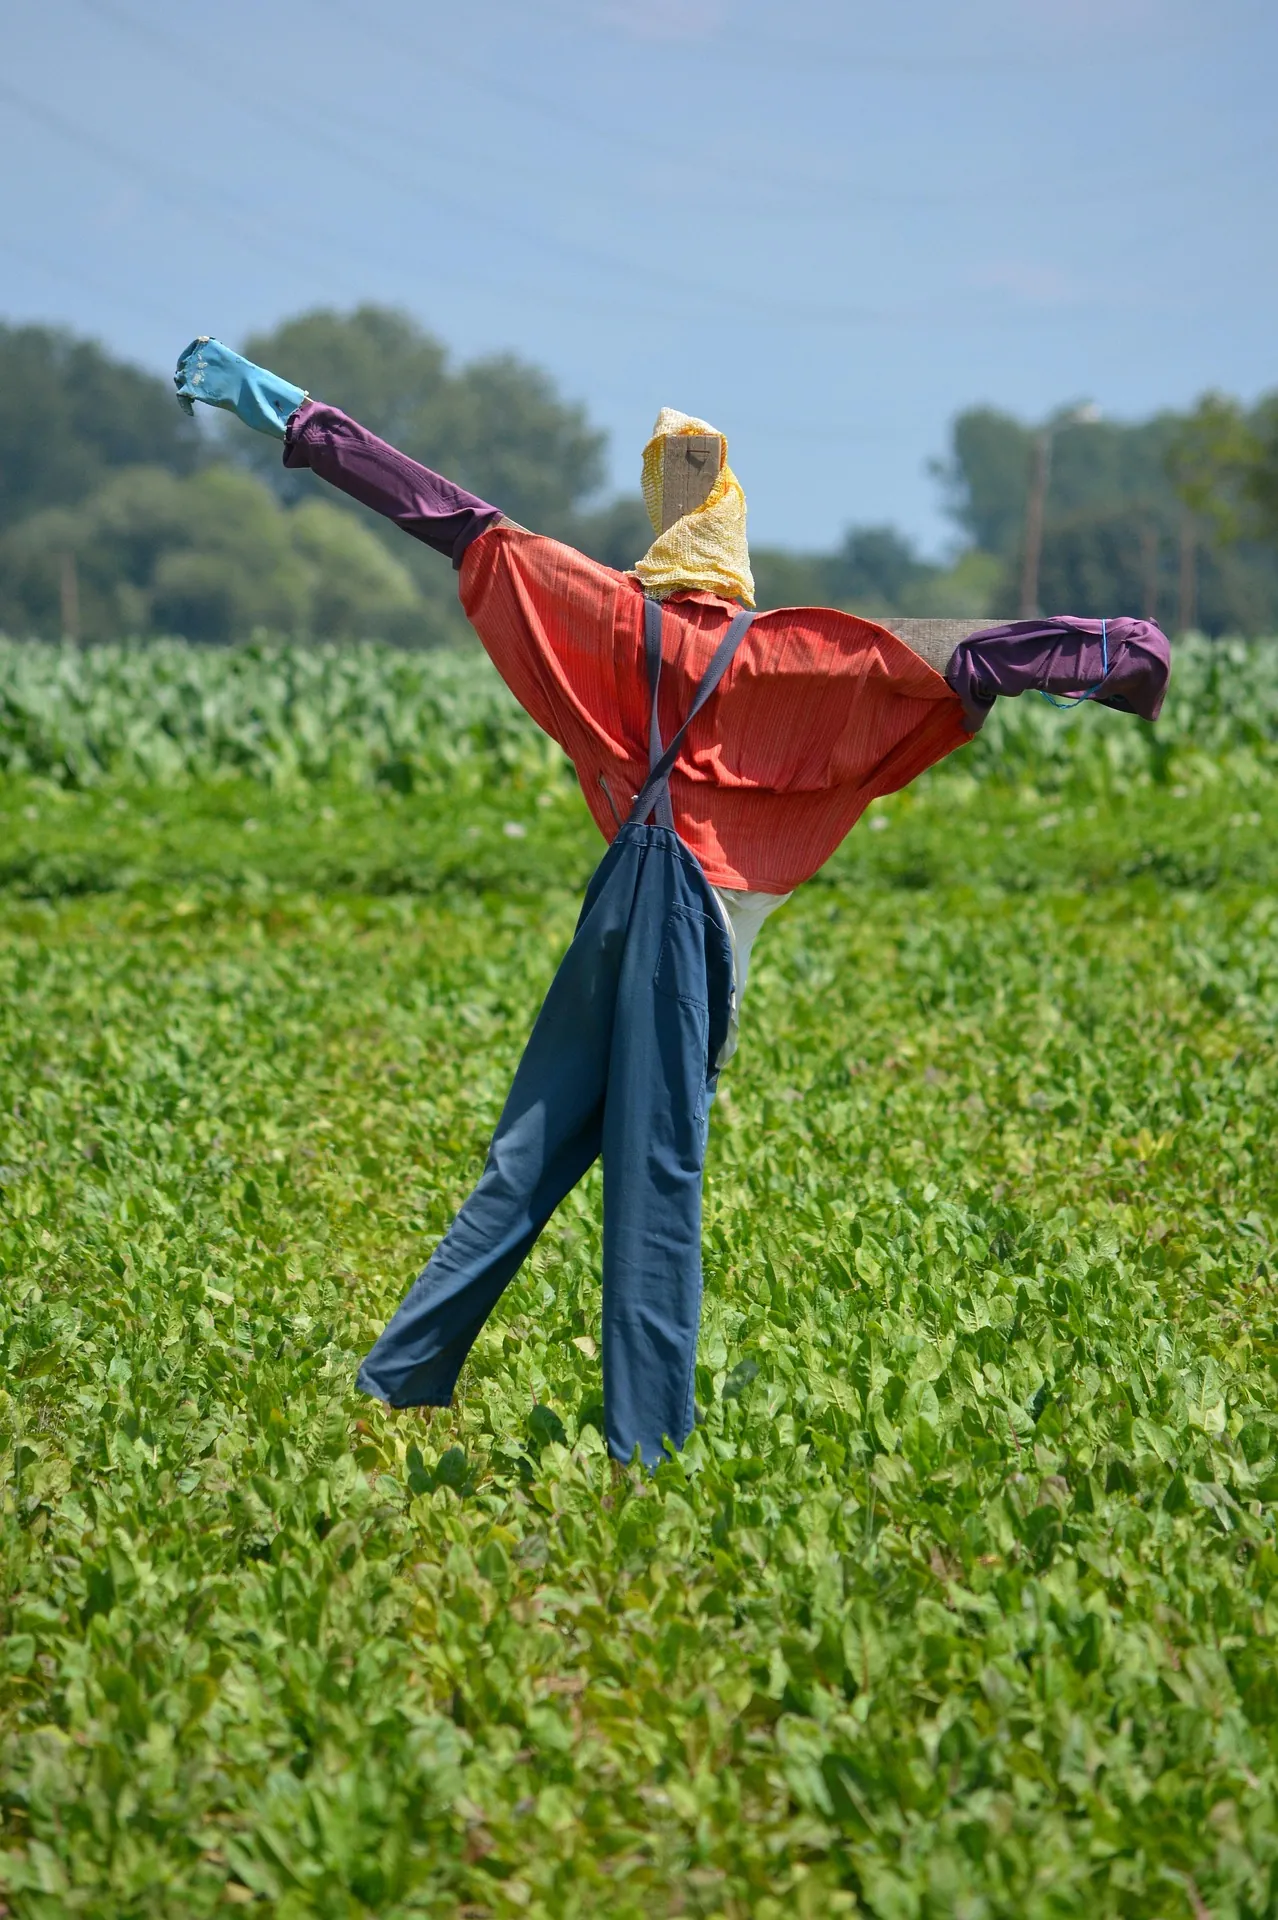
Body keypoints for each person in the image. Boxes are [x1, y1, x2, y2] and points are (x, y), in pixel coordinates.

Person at [174, 336, 1171, 1467]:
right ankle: (647, 1442)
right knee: (659, 1170)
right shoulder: (793, 659)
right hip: (690, 926)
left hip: (617, 907)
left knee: (531, 1150)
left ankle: (398, 1379)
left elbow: (453, 518)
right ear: (738, 559)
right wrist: (1115, 653)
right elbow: (968, 658)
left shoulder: (604, 619)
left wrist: (288, 413)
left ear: (663, 545)